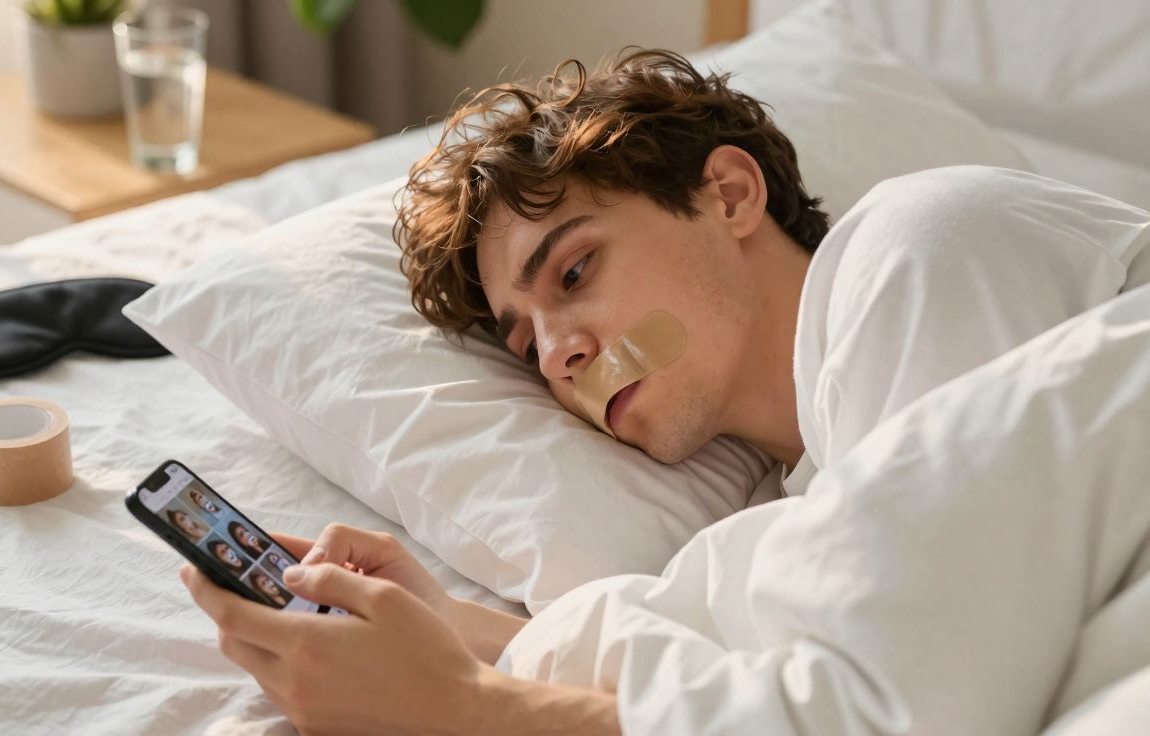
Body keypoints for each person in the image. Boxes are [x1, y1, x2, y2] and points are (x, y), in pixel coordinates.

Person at [180, 48, 1150, 734]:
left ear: (729, 194)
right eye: (524, 344)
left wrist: (468, 712)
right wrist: (453, 633)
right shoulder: (804, 494)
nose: (558, 354)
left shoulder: (923, 245)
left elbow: (907, 698)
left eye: (571, 274)